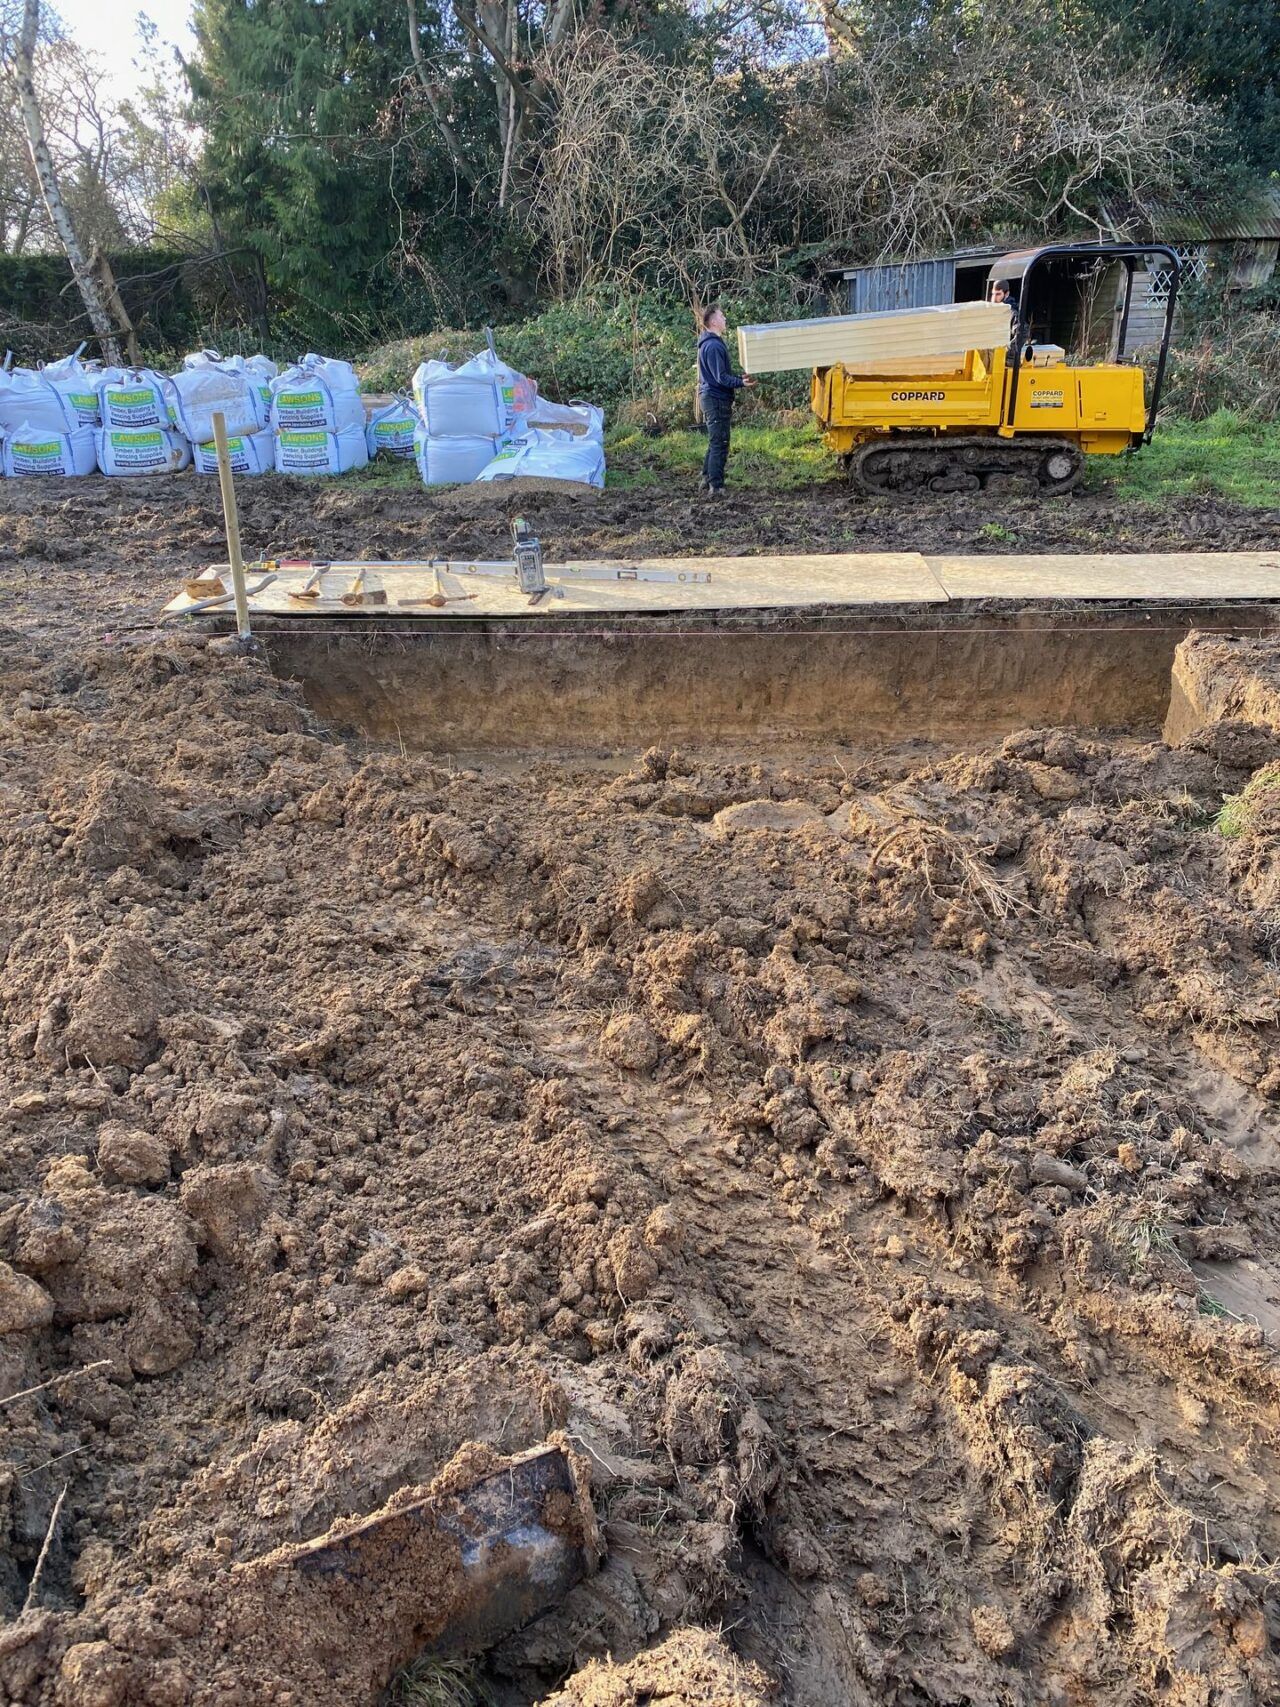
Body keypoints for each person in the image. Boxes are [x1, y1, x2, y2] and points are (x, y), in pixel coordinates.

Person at [697, 304, 755, 494]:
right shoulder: (713, 346)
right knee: (720, 443)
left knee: (715, 441)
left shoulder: (709, 343)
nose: (725, 319)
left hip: (713, 397)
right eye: (722, 316)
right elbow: (720, 377)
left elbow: (720, 375)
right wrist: (741, 383)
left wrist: (739, 379)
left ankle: (706, 479)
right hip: (716, 399)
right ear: (713, 322)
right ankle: (716, 486)